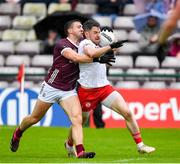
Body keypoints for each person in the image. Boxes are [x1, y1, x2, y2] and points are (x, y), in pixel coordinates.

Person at [10, 19, 123, 158]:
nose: (82, 28)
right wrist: (98, 59)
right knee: (34, 118)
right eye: (78, 27)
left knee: (77, 119)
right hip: (51, 87)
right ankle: (18, 133)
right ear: (70, 31)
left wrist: (110, 48)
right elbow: (75, 57)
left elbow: (95, 52)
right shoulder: (62, 44)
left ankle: (80, 151)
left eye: (82, 27)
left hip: (68, 90)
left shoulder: (83, 45)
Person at [65, 19, 156, 156]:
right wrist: (109, 47)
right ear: (87, 33)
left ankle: (140, 145)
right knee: (80, 122)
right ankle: (69, 143)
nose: (98, 35)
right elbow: (91, 54)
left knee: (127, 113)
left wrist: (111, 48)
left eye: (99, 32)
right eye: (95, 32)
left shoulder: (99, 44)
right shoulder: (85, 43)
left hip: (104, 88)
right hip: (87, 90)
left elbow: (106, 60)